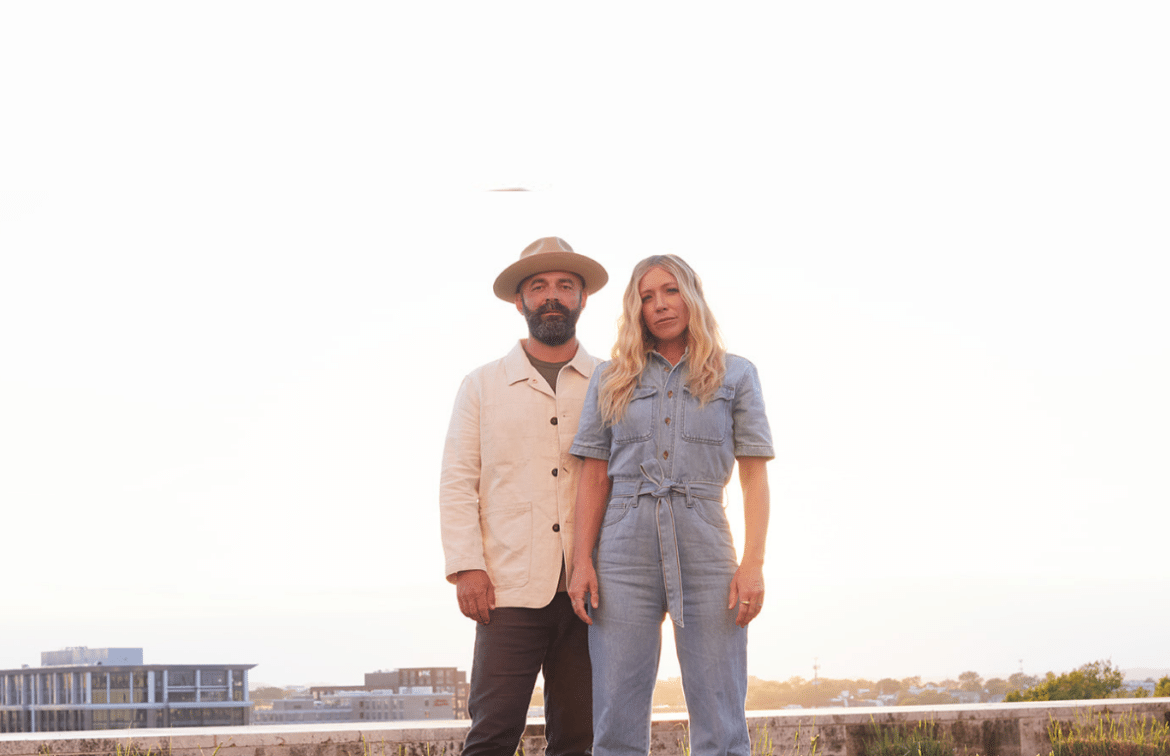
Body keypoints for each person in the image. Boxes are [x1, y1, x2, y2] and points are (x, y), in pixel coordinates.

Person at [568, 254, 773, 756]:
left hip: (706, 547)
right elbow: (594, 475)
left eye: (670, 291)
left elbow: (754, 477)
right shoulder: (611, 377)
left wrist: (753, 564)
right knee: (615, 714)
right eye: (646, 297)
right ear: (635, 310)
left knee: (722, 716)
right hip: (622, 550)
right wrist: (581, 562)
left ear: (692, 295)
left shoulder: (737, 375)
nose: (659, 305)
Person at [440, 236, 608, 756]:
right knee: (492, 733)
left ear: (584, 298)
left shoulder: (612, 381)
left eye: (565, 285)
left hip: (593, 590)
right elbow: (457, 480)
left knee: (579, 738)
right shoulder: (482, 385)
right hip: (507, 590)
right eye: (538, 287)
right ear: (520, 301)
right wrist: (467, 567)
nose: (552, 296)